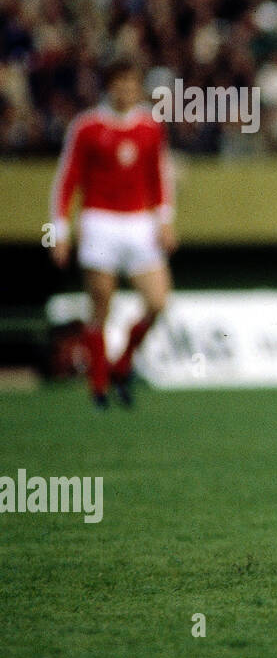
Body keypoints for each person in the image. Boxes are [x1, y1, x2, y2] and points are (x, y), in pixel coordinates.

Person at [49, 56, 176, 409]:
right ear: (109, 86)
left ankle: (122, 364)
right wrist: (59, 230)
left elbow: (158, 177)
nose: (126, 89)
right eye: (119, 82)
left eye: (132, 83)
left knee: (158, 303)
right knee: (101, 302)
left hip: (139, 223)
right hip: (99, 221)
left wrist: (165, 220)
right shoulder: (87, 126)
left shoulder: (151, 127)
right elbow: (68, 179)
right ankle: (99, 383)